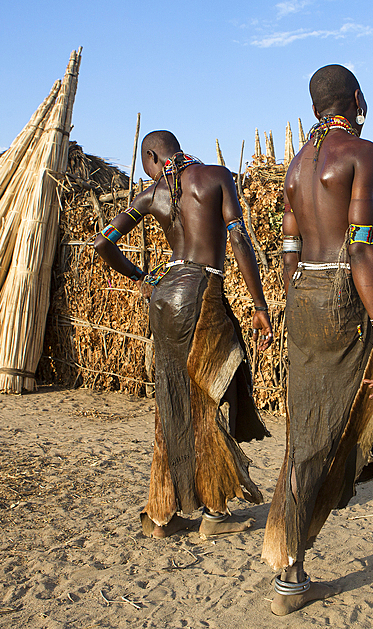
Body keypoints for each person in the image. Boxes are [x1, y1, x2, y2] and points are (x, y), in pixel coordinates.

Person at [261, 65, 373, 615]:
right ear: (356, 99)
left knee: (314, 426)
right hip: (346, 294)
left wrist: (299, 296)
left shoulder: (295, 165)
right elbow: (361, 249)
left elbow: (289, 245)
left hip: (304, 299)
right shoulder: (359, 153)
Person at [94, 130, 274, 539]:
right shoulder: (216, 177)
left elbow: (102, 244)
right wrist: (259, 305)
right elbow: (239, 238)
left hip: (165, 299)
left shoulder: (150, 196)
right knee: (204, 400)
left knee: (171, 403)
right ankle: (213, 512)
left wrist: (141, 276)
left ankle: (162, 515)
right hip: (201, 294)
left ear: (154, 156)